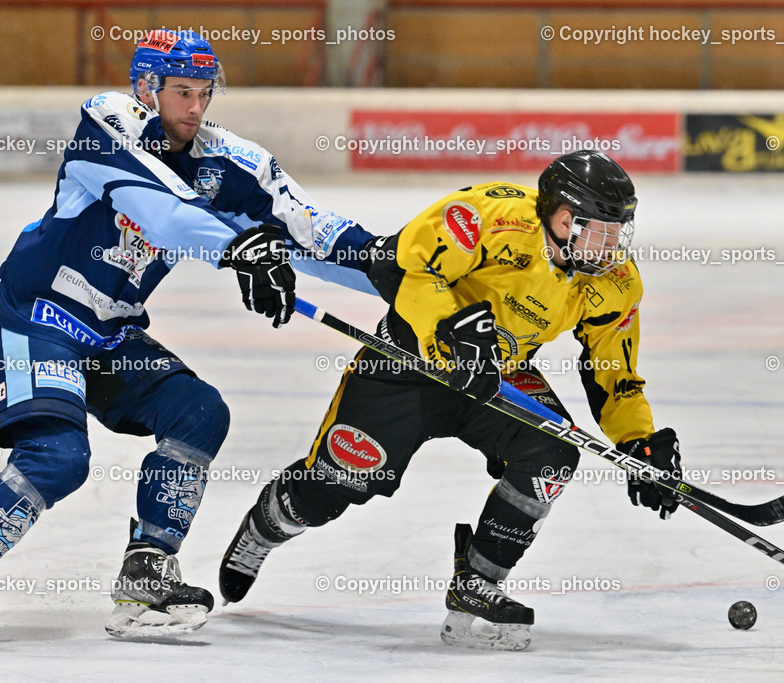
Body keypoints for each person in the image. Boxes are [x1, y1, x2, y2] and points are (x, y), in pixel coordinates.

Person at [0, 29, 378, 650]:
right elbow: (161, 211)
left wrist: (399, 272)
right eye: (181, 93)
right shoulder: (107, 119)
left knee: (200, 412)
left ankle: (148, 572)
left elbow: (313, 230)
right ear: (147, 87)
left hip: (110, 333)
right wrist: (239, 249)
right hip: (34, 317)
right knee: (58, 458)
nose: (195, 108)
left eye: (204, 94)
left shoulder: (225, 161)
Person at [218, 150, 683, 651]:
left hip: (495, 380)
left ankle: (478, 582)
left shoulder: (615, 283)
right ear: (565, 218)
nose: (615, 247)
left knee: (551, 453)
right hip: (406, 364)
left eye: (620, 233)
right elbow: (401, 263)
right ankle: (266, 526)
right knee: (331, 489)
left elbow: (612, 372)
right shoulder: (491, 217)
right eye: (605, 231)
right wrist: (451, 329)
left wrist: (638, 442)